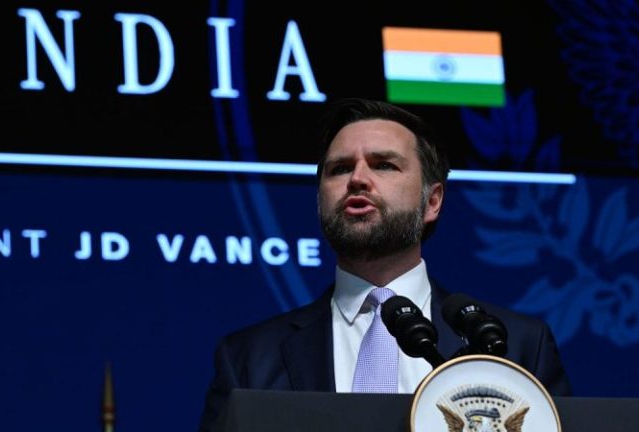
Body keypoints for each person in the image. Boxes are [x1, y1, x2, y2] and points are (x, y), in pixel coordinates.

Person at [198, 98, 571, 431]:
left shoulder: (517, 346)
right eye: (340, 169)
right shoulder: (249, 358)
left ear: (432, 201)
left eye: (384, 165)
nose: (358, 179)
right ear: (319, 200)